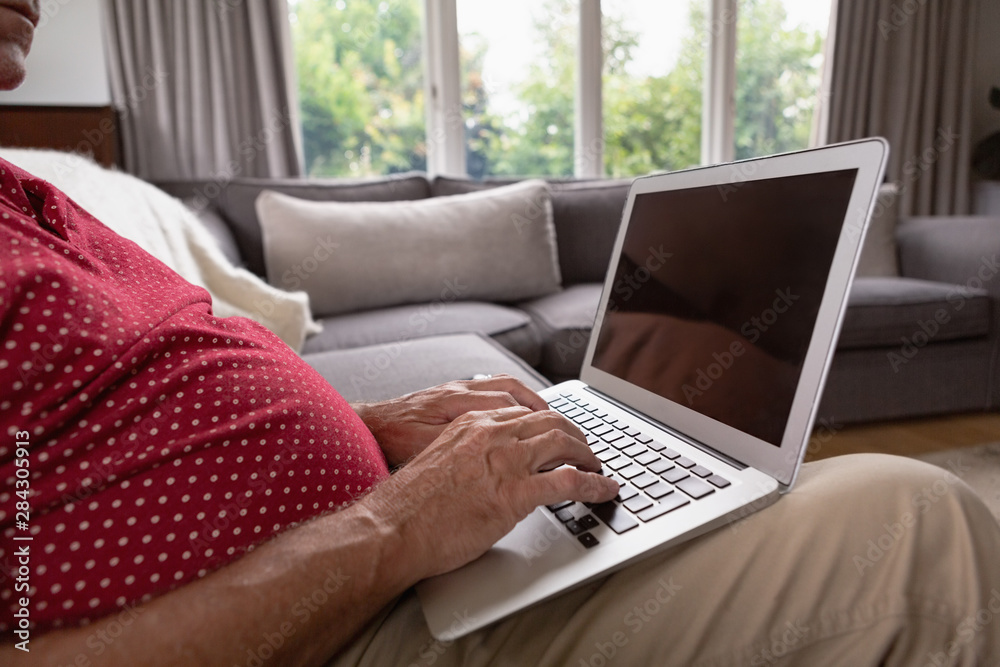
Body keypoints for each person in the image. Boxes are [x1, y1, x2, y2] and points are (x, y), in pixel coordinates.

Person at [2, 3, 999, 664]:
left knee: (740, 489)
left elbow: (108, 420)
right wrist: (391, 529)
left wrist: (365, 422)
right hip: (331, 620)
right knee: (913, 521)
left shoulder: (29, 192)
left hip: (372, 557)